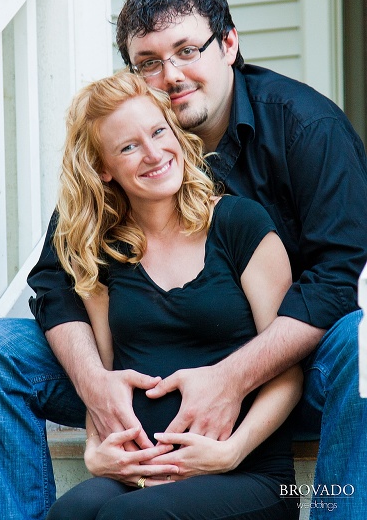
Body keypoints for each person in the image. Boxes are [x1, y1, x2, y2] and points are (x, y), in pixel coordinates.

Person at [0, 0, 367, 520]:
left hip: (289, 366)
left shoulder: (308, 130)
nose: (171, 75)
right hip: (149, 384)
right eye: (148, 62)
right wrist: (97, 388)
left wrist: (233, 378)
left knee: (362, 341)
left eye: (187, 50)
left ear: (229, 44)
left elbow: (340, 279)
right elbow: (56, 279)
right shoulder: (126, 147)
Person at [44, 71, 300, 519]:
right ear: (103, 169)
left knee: (132, 517)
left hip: (245, 473)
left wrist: (233, 451)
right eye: (128, 146)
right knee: (71, 514)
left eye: (158, 131)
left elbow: (287, 369)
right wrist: (94, 451)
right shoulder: (103, 250)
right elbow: (105, 379)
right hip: (143, 472)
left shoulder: (241, 224)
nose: (153, 153)